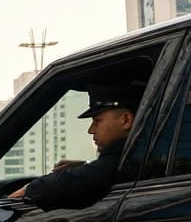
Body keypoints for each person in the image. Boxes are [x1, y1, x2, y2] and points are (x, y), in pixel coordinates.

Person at [9, 85, 140, 209]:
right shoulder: (139, 152)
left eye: (97, 121)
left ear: (126, 120)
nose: (91, 130)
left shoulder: (129, 158)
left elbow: (95, 175)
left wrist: (29, 190)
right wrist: (87, 164)